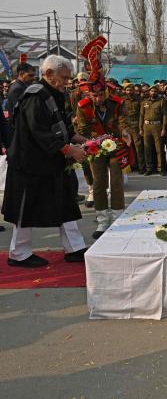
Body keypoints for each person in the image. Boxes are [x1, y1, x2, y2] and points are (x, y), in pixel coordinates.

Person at [2, 55, 88, 267]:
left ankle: (74, 247)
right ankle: (18, 253)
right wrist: (69, 149)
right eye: (64, 77)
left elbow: (60, 124)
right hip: (29, 163)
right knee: (25, 208)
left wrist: (80, 139)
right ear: (49, 74)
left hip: (51, 161)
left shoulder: (54, 93)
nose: (68, 82)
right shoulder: (35, 96)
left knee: (66, 202)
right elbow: (39, 131)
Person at [76, 83, 126, 239]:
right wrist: (91, 142)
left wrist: (124, 131)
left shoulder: (117, 103)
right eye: (94, 96)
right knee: (98, 183)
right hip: (95, 148)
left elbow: (124, 121)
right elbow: (82, 128)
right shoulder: (83, 107)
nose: (98, 99)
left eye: (101, 95)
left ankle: (118, 217)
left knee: (116, 181)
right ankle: (103, 220)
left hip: (116, 145)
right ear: (89, 94)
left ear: (106, 93)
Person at [139, 84, 167, 176]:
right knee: (147, 149)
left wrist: (163, 128)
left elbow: (164, 115)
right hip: (146, 127)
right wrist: (141, 128)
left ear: (157, 92)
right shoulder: (144, 102)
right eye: (151, 91)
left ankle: (161, 168)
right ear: (149, 92)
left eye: (155, 91)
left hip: (157, 126)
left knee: (159, 149)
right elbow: (141, 116)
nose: (153, 92)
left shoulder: (161, 101)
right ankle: (149, 168)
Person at [122, 82, 145, 174]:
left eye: (130, 90)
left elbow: (141, 114)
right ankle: (131, 166)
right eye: (127, 90)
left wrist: (140, 127)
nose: (129, 91)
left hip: (136, 126)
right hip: (126, 126)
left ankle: (141, 167)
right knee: (128, 147)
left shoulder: (139, 100)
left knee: (138, 147)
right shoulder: (123, 100)